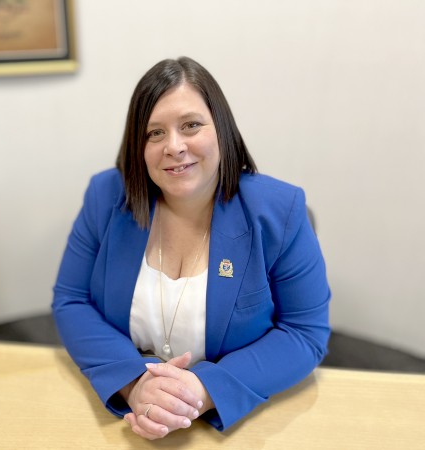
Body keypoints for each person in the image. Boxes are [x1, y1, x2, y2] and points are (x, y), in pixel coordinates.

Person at [52, 56, 330, 440]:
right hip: (127, 422)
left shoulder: (279, 211)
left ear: (222, 129)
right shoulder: (105, 196)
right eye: (155, 133)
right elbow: (71, 300)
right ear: (138, 145)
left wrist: (200, 391)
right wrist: (134, 385)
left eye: (191, 125)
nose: (174, 146)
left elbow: (303, 333)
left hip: (235, 428)